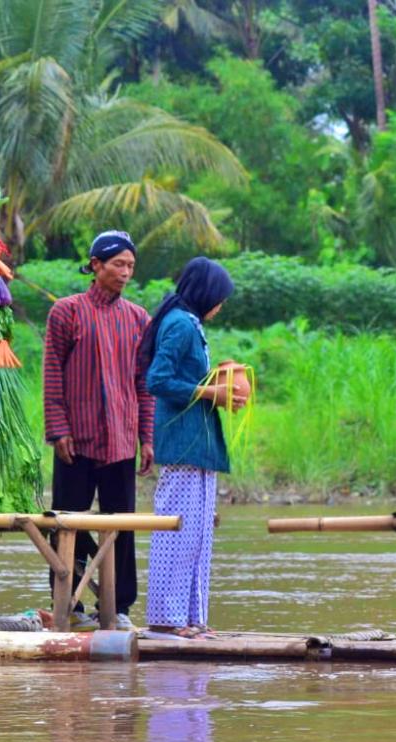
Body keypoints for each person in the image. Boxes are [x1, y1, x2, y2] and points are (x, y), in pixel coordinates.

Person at [43, 230, 154, 631]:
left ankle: (118, 607)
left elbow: (144, 383)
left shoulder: (139, 318)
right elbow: (53, 375)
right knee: (67, 523)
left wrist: (147, 437)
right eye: (118, 264)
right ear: (95, 266)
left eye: (130, 266)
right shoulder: (67, 312)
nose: (125, 273)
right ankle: (67, 603)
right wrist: (58, 430)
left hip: (122, 440)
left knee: (121, 524)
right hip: (77, 440)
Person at [140, 257, 247, 639]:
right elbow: (158, 380)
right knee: (178, 532)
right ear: (205, 294)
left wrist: (215, 377)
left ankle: (192, 619)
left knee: (200, 534)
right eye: (219, 297)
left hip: (197, 442)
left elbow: (183, 376)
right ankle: (167, 621)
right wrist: (209, 390)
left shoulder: (190, 324)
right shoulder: (181, 325)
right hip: (182, 441)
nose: (221, 305)